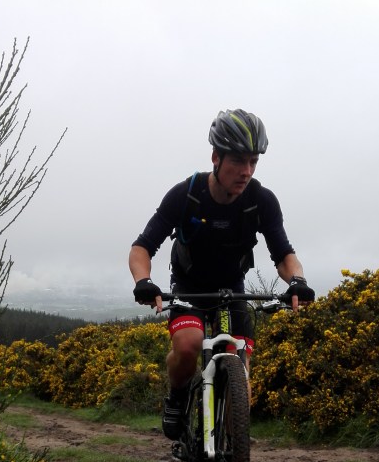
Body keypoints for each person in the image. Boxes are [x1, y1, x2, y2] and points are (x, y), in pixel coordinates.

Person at [129, 108, 314, 439]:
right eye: (238, 161)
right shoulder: (186, 194)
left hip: (233, 289)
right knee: (188, 346)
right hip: (189, 287)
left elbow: (283, 253)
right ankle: (178, 395)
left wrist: (297, 280)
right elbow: (142, 247)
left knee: (240, 375)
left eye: (253, 162)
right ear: (216, 157)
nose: (246, 171)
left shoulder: (261, 201)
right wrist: (143, 281)